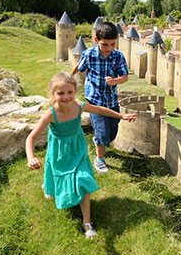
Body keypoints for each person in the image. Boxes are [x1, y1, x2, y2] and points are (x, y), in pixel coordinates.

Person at [25, 72, 136, 239]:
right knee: (57, 175)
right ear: (53, 95)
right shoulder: (51, 114)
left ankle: (87, 222)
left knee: (83, 180)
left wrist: (121, 115)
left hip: (79, 151)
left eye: (70, 92)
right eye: (61, 93)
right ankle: (48, 187)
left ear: (75, 91)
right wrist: (30, 157)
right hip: (60, 153)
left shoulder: (78, 105)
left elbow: (99, 109)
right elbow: (31, 138)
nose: (66, 97)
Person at [71, 21, 129, 173]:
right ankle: (100, 159)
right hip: (95, 99)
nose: (109, 48)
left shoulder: (118, 56)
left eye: (112, 44)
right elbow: (80, 66)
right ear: (96, 41)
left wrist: (115, 80)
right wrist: (68, 77)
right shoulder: (89, 54)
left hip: (111, 100)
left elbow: (124, 76)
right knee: (102, 131)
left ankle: (100, 140)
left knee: (112, 132)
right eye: (105, 45)